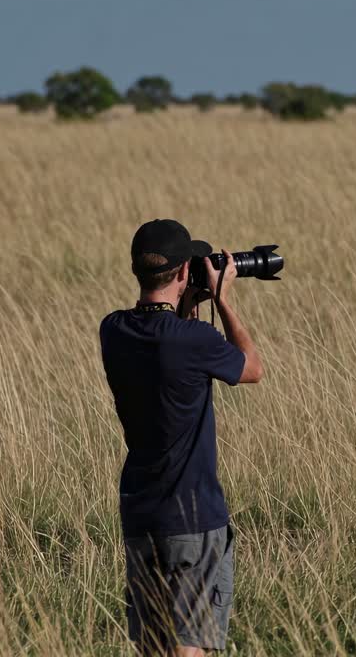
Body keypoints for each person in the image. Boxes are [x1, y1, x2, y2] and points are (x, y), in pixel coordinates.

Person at [99, 219, 264, 655]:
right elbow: (251, 369)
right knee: (191, 647)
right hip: (193, 516)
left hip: (140, 513)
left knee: (154, 647)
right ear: (182, 273)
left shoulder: (113, 331)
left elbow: (170, 350)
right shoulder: (193, 339)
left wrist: (186, 302)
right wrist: (224, 301)